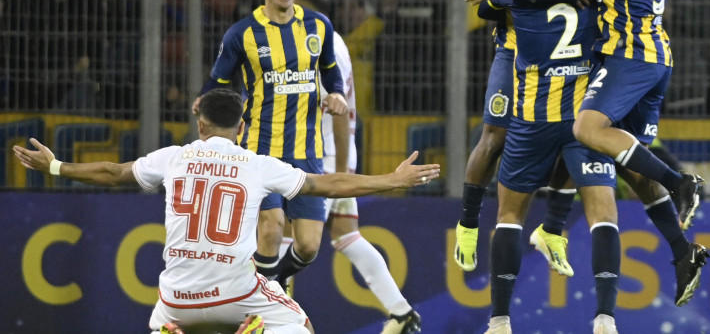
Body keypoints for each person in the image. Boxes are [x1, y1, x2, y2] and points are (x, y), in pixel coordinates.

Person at [458, 0, 709, 309]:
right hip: (613, 55)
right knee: (614, 155)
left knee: (587, 130)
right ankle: (681, 249)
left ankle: (670, 186)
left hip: (619, 59)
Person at [12, 88, 440, 334]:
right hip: (237, 296)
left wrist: (54, 165)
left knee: (169, 316)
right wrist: (392, 180)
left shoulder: (173, 157)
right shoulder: (255, 165)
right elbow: (324, 183)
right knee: (299, 325)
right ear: (241, 127)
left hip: (175, 301)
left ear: (200, 125)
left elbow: (111, 172)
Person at [484, 0, 620, 334]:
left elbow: (490, 5)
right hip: (584, 116)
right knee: (603, 214)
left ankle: (500, 321)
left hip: (531, 116)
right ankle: (605, 319)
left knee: (508, 216)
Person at [455, 0, 595, 276]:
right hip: (515, 50)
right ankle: (467, 223)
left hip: (568, 58)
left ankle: (552, 229)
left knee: (576, 132)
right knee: (494, 136)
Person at [192, 0, 349, 299]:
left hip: (307, 154)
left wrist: (336, 94)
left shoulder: (319, 26)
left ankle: (271, 284)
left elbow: (331, 72)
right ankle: (260, 306)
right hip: (259, 151)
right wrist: (205, 100)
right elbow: (218, 81)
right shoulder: (242, 33)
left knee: (308, 245)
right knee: (272, 227)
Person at [295, 0, 422, 333]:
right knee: (346, 235)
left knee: (287, 235)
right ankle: (400, 311)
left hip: (323, 155)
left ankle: (276, 318)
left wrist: (337, 173)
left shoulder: (317, 44)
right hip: (339, 152)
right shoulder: (336, 41)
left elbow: (336, 110)